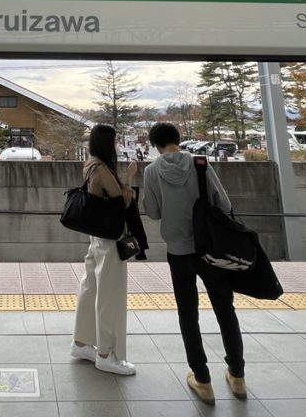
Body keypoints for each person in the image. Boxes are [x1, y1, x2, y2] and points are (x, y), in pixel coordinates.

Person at [144, 121, 246, 405]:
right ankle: (237, 375)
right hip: (211, 250)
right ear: (178, 139)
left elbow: (152, 212)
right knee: (225, 309)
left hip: (178, 252)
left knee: (188, 314)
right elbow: (223, 204)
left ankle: (202, 380)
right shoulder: (201, 163)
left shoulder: (152, 171)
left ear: (155, 144)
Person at [71, 124, 139, 376]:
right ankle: (106, 354)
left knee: (91, 287)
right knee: (110, 294)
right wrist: (130, 176)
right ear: (107, 143)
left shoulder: (91, 164)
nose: (117, 146)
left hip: (97, 236)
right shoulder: (101, 169)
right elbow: (123, 200)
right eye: (115, 142)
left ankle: (81, 343)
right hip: (110, 239)